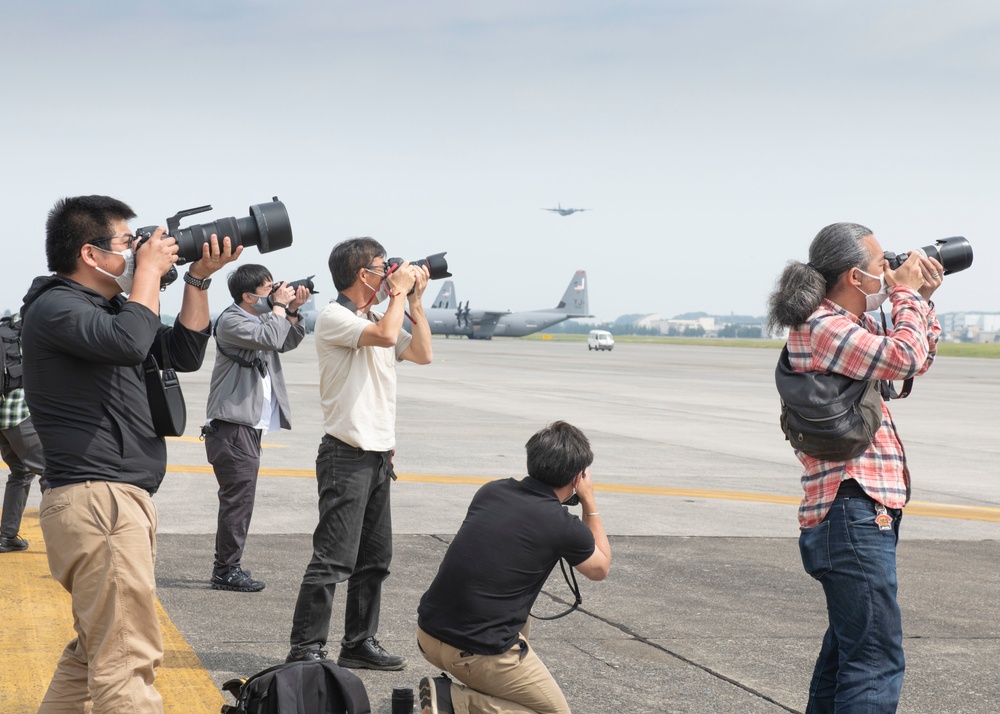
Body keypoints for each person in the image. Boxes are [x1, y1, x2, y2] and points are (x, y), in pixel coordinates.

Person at [20, 195, 240, 713]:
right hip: (100, 501)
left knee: (93, 655)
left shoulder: (108, 310)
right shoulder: (58, 307)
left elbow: (183, 352)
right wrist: (147, 273)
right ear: (90, 255)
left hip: (107, 501)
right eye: (127, 242)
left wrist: (198, 279)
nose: (140, 248)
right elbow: (128, 342)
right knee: (127, 660)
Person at [766, 222, 943, 713]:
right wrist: (905, 293)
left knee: (847, 655)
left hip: (859, 511)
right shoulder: (823, 326)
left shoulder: (850, 326)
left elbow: (914, 362)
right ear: (853, 275)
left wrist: (920, 300)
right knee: (874, 660)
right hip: (852, 508)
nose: (887, 272)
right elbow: (904, 355)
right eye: (881, 265)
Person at [286, 237, 432, 670]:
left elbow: (422, 353)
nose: (390, 273)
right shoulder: (334, 317)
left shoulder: (376, 315)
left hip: (378, 457)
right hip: (345, 454)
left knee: (374, 559)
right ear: (361, 275)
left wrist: (416, 303)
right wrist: (399, 294)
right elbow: (387, 336)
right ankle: (306, 648)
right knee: (333, 557)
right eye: (382, 267)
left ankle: (358, 643)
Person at [416, 421, 612, 714]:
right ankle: (454, 702)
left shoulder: (491, 491)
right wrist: (589, 501)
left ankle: (479, 687)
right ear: (577, 476)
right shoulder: (561, 525)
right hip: (474, 653)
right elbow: (600, 568)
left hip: (428, 635)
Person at [204, 264, 309, 592]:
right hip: (233, 427)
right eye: (268, 289)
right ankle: (226, 570)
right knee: (239, 499)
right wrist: (279, 308)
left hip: (247, 425)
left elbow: (285, 341)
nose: (275, 291)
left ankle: (227, 567)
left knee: (240, 498)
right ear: (249, 296)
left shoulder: (260, 318)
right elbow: (270, 336)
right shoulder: (232, 320)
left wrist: (290, 310)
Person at [0, 313, 47, 552]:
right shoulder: (35, 328)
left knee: (21, 471)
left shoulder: (7, 327)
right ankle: (64, 540)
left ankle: (7, 536)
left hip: (3, 416)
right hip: (18, 415)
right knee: (54, 474)